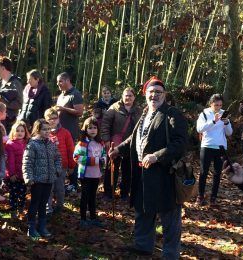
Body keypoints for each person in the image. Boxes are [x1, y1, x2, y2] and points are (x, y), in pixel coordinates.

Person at [109, 76, 188, 259]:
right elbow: (134, 139)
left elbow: (180, 143)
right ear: (145, 94)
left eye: (158, 92)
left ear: (164, 95)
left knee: (169, 217)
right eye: (151, 92)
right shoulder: (145, 113)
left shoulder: (172, 114)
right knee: (143, 210)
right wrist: (118, 151)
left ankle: (170, 254)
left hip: (164, 175)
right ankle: (143, 245)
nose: (154, 95)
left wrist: (157, 156)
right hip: (142, 175)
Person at [23, 119, 62, 239]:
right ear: (38, 130)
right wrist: (28, 177)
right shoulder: (32, 144)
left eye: (48, 129)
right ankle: (31, 227)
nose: (47, 132)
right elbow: (27, 162)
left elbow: (57, 158)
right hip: (37, 179)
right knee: (35, 203)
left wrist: (57, 170)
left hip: (49, 179)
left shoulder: (51, 144)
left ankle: (42, 226)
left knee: (44, 203)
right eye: (44, 129)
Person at [101, 87, 139, 200]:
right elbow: (105, 125)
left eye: (130, 95)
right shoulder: (114, 108)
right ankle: (109, 192)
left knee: (128, 170)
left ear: (134, 97)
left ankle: (124, 193)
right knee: (111, 169)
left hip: (131, 145)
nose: (128, 97)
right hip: (115, 144)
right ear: (122, 96)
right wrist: (106, 140)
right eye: (126, 95)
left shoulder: (138, 110)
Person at [196, 94, 233, 205]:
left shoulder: (224, 114)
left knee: (217, 173)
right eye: (216, 105)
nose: (218, 107)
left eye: (220, 105)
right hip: (207, 145)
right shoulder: (204, 114)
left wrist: (226, 122)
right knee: (203, 172)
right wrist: (213, 121)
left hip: (220, 147)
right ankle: (200, 196)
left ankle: (213, 198)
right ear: (211, 104)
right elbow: (199, 129)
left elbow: (229, 132)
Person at [73, 117, 106, 228]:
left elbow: (104, 154)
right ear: (85, 129)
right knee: (85, 196)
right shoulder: (82, 143)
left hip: (96, 175)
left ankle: (93, 218)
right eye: (90, 128)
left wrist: (104, 159)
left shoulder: (100, 143)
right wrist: (95, 161)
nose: (93, 130)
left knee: (93, 197)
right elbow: (77, 157)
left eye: (95, 128)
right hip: (85, 175)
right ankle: (83, 219)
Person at [44, 107, 75, 214]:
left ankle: (59, 206)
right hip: (47, 166)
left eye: (55, 118)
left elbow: (71, 149)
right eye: (50, 119)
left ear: (58, 119)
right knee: (48, 188)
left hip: (62, 165)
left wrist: (71, 165)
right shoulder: (44, 133)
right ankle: (48, 208)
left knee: (60, 188)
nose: (52, 120)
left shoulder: (65, 133)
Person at [56, 72, 83, 192]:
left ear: (67, 80)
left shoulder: (75, 94)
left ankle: (73, 183)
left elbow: (79, 112)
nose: (58, 84)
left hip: (71, 131)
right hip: (59, 131)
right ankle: (63, 181)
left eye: (60, 81)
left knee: (72, 156)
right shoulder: (61, 95)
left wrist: (63, 109)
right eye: (58, 81)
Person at [5, 121, 29, 217]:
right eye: (17, 131)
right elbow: (10, 161)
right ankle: (13, 210)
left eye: (22, 131)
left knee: (23, 193)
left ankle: (21, 209)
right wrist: (11, 174)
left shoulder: (27, 143)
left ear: (25, 132)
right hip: (14, 175)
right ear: (13, 132)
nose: (20, 133)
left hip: (24, 174)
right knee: (14, 193)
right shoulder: (10, 144)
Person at [0, 56, 23, 132]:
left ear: (3, 68)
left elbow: (20, 103)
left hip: (9, 124)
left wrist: (4, 102)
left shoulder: (16, 83)